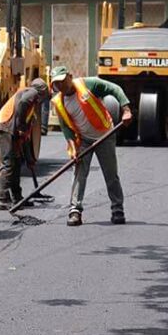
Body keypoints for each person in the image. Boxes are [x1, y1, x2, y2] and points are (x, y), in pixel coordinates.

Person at [49, 66, 133, 226]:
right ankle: (75, 211)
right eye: (56, 84)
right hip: (83, 140)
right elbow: (66, 128)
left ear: (69, 76)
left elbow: (115, 89)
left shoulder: (88, 84)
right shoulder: (59, 102)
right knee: (79, 174)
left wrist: (126, 109)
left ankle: (117, 210)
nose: (60, 86)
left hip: (104, 135)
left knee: (111, 175)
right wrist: (73, 148)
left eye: (62, 81)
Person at [0, 78, 50, 210]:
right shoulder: (31, 92)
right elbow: (22, 103)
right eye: (44, 94)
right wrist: (21, 125)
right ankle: (3, 199)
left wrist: (30, 159)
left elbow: (26, 138)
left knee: (17, 163)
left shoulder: (31, 106)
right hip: (4, 128)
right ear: (42, 91)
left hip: (11, 131)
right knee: (8, 164)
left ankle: (17, 198)